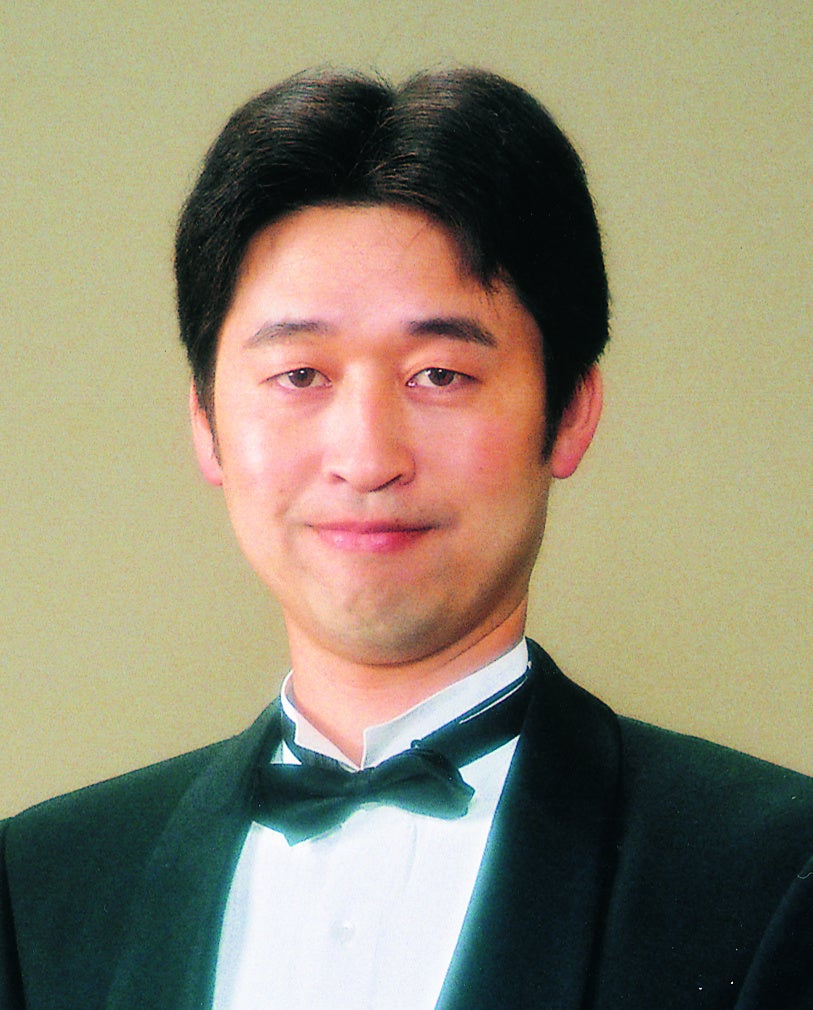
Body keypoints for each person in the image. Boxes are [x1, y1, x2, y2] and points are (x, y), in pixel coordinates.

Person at [1, 67, 811, 1010]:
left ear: (569, 413)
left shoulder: (775, 876)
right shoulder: (35, 890)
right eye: (300, 375)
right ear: (206, 423)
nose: (366, 458)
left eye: (438, 375)